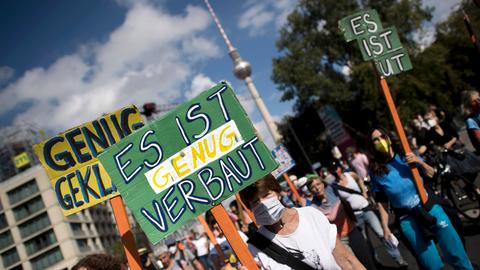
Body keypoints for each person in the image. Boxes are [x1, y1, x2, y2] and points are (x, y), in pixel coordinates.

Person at [368, 127, 473, 270]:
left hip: (429, 207)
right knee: (432, 265)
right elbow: (382, 201)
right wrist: (385, 227)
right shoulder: (376, 170)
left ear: (388, 138)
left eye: (381, 136)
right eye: (375, 139)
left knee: (456, 254)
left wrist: (420, 162)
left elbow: (432, 174)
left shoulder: (405, 155)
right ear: (372, 145)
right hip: (408, 218)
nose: (380, 141)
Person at [239, 173, 365, 270]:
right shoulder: (256, 246)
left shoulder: (310, 215)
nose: (263, 204)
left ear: (278, 192)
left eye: (266, 195)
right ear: (250, 208)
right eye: (255, 202)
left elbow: (347, 260)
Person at [329, 162, 408, 267]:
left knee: (382, 234)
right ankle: (376, 263)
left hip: (366, 209)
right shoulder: (335, 186)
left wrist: (364, 193)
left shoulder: (351, 175)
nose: (335, 171)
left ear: (340, 168)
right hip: (356, 215)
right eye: (333, 170)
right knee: (366, 242)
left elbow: (360, 181)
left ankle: (400, 260)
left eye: (336, 168)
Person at [305, 175, 377, 270]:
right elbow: (329, 219)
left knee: (368, 261)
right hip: (340, 240)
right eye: (312, 187)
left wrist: (363, 193)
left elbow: (349, 192)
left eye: (318, 184)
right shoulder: (314, 207)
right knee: (354, 266)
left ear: (323, 184)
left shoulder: (333, 191)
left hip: (353, 231)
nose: (316, 188)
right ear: (310, 191)